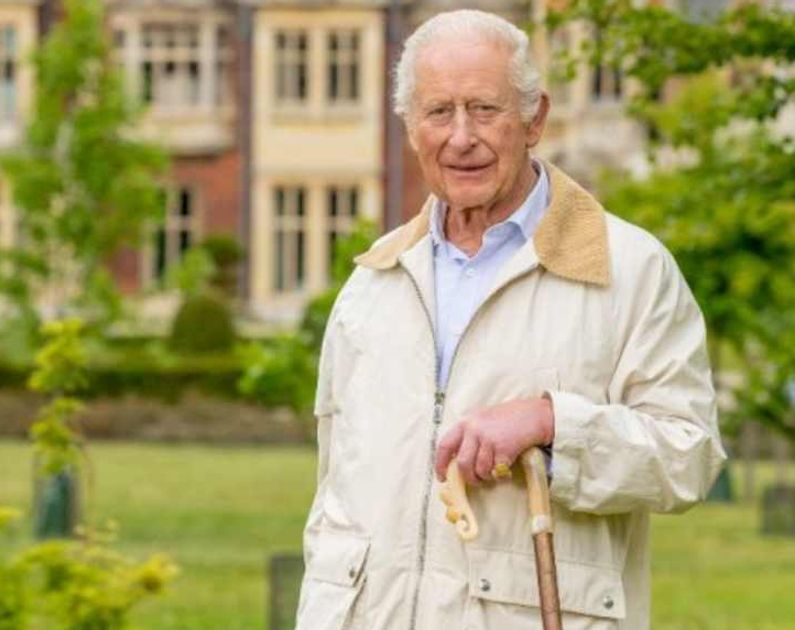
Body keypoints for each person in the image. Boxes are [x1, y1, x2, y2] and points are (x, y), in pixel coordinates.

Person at [296, 9, 726, 630]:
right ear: (411, 127)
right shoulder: (374, 281)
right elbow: (333, 498)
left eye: (485, 110)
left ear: (535, 120)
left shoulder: (631, 268)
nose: (460, 136)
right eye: (438, 112)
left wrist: (555, 422)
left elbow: (689, 456)